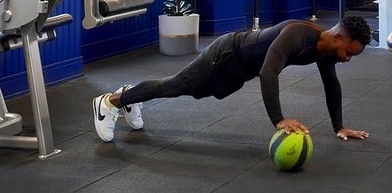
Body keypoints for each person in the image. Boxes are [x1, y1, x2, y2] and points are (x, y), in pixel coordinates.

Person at [92, 15, 373, 143]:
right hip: (226, 54)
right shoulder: (297, 34)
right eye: (348, 52)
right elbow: (269, 71)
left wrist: (339, 126)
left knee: (190, 90)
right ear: (337, 37)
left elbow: (331, 84)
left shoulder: (327, 51)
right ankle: (110, 102)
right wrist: (278, 120)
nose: (347, 58)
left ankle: (130, 95)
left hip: (238, 69)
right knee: (176, 86)